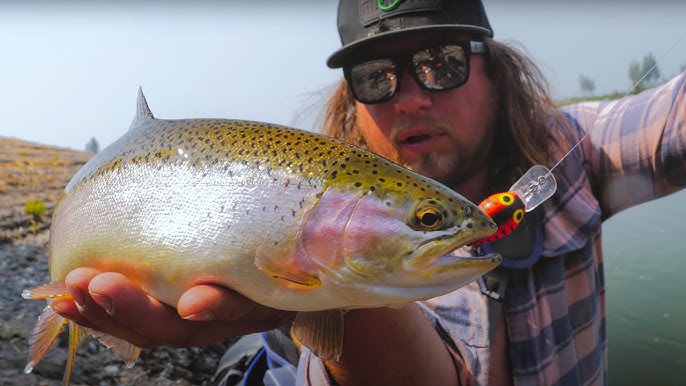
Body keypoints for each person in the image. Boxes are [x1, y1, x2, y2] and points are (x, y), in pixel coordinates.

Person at [52, 0, 686, 385]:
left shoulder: (575, 149)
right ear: (352, 101)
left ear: (497, 71)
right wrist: (337, 307)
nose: (410, 96)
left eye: (442, 63)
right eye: (375, 76)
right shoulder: (301, 232)